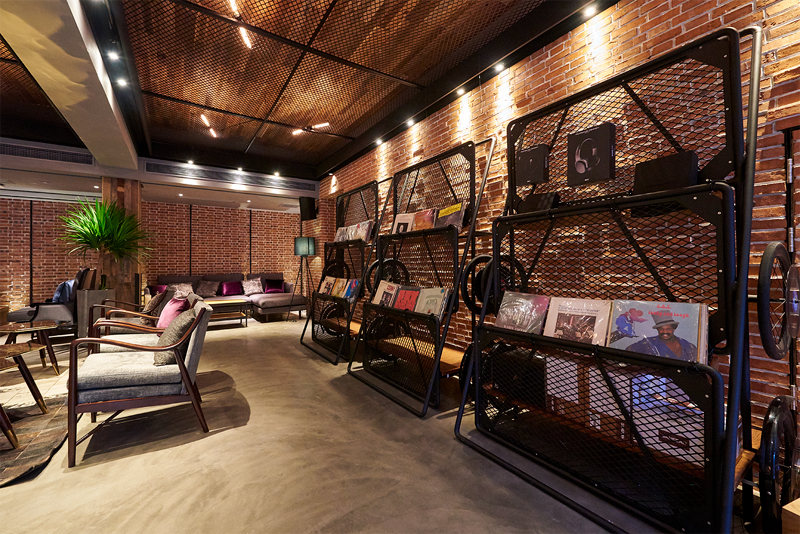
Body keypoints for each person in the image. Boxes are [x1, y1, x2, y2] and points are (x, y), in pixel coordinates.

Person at [627, 314, 697, 361]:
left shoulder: (688, 346)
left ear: (673, 329)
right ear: (657, 330)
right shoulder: (649, 342)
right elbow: (628, 351)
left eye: (668, 329)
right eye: (661, 329)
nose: (664, 331)